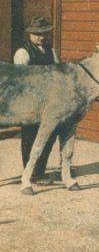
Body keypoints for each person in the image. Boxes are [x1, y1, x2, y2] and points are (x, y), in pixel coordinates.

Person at [13, 16, 60, 185]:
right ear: (30, 34)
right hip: (30, 102)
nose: (41, 37)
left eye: (44, 34)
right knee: (30, 137)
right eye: (37, 34)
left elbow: (57, 73)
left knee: (49, 135)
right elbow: (21, 80)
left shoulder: (50, 51)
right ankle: (30, 172)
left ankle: (40, 171)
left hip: (48, 102)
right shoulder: (22, 52)